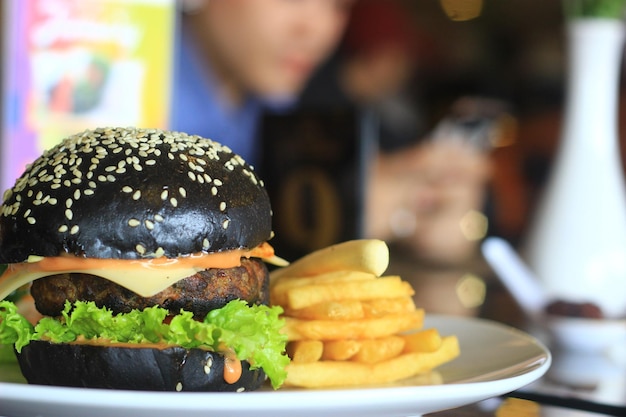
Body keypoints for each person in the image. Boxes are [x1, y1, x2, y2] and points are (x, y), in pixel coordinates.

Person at [171, 0, 491, 267]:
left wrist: (421, 214)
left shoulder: (277, 104)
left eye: (339, 5)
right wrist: (328, 218)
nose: (319, 29)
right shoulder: (132, 86)